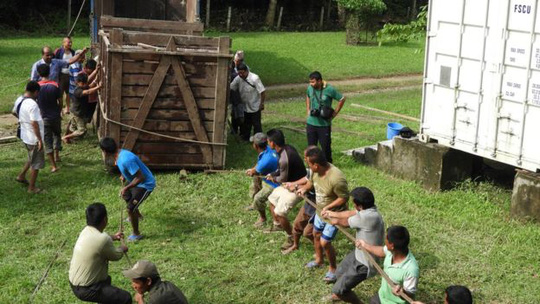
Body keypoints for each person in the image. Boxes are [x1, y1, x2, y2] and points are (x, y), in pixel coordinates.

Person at [321, 187, 385, 303]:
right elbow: (351, 213)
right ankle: (339, 292)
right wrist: (332, 213)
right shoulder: (369, 210)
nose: (353, 205)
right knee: (338, 273)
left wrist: (332, 219)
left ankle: (348, 298)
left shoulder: (367, 217)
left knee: (339, 289)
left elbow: (344, 222)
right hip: (357, 253)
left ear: (360, 206)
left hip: (365, 263)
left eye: (354, 203)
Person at [296, 147, 349, 282]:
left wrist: (329, 208)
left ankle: (333, 268)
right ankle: (319, 260)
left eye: (308, 163)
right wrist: (303, 189)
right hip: (320, 211)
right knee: (315, 234)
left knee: (325, 242)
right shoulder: (315, 172)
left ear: (316, 165)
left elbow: (343, 198)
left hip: (334, 214)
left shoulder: (336, 178)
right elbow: (310, 183)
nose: (307, 165)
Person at [69, 203, 131, 303]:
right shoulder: (103, 239)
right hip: (88, 289)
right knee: (126, 298)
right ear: (105, 220)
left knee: (107, 281)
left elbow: (99, 241)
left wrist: (114, 237)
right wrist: (122, 248)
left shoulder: (86, 231)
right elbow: (116, 255)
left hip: (75, 284)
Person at [99, 137, 156, 241]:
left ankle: (136, 233)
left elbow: (140, 177)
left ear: (105, 151)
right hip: (136, 181)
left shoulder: (126, 159)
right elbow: (127, 168)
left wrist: (127, 187)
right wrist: (124, 175)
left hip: (145, 184)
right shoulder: (119, 154)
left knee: (130, 208)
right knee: (126, 195)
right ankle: (137, 216)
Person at [265, 129, 307, 251]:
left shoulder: (284, 158)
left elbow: (282, 178)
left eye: (268, 141)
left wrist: (273, 178)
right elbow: (280, 172)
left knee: (280, 212)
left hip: (297, 188)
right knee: (271, 200)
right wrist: (273, 174)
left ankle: (291, 237)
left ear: (273, 143)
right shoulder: (286, 148)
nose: (268, 143)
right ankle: (277, 225)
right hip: (287, 185)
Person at [357, 226, 420, 304]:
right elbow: (382, 251)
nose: (384, 240)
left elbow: (410, 296)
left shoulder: (411, 269)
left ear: (392, 245)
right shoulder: (392, 251)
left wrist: (402, 292)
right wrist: (365, 245)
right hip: (381, 297)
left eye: (386, 239)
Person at [280, 146, 318, 255]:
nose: (304, 159)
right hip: (309, 200)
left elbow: (310, 185)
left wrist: (297, 188)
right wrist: (293, 184)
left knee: (310, 232)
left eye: (306, 157)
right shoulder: (311, 168)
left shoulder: (319, 171)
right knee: (297, 225)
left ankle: (321, 249)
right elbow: (306, 178)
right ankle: (295, 245)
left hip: (317, 203)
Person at [305, 71, 346, 164]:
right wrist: (308, 109)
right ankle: (311, 166)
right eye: (310, 82)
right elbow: (307, 95)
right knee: (311, 148)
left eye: (313, 82)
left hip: (324, 125)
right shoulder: (310, 88)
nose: (311, 84)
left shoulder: (329, 89)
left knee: (326, 148)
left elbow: (342, 99)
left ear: (319, 81)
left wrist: (334, 113)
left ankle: (328, 166)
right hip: (311, 123)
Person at [12, 81, 44, 194]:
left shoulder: (20, 100)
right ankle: (32, 188)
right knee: (36, 163)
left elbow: (13, 112)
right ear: (35, 92)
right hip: (33, 138)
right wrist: (39, 139)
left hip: (25, 134)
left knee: (31, 157)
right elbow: (34, 123)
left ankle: (21, 176)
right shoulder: (33, 104)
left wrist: (22, 120)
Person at [245, 132, 279, 228]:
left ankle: (262, 218)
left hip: (274, 183)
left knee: (258, 198)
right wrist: (253, 169)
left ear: (256, 146)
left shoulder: (266, 160)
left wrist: (251, 172)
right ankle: (254, 205)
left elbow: (257, 170)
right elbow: (258, 166)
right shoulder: (267, 149)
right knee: (255, 184)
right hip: (268, 175)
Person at [123, 260, 189, 304]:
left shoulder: (156, 298)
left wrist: (140, 300)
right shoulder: (166, 284)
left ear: (148, 281)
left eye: (136, 282)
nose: (133, 286)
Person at [36, 64, 63, 172]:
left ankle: (53, 166)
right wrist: (59, 110)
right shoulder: (55, 85)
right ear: (49, 72)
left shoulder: (37, 87)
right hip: (55, 116)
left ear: (39, 73)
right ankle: (57, 155)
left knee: (48, 141)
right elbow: (60, 101)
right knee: (57, 134)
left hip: (44, 118)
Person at [230, 63, 266, 141]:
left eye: (242, 73)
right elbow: (231, 87)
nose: (241, 75)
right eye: (239, 73)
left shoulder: (255, 78)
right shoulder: (238, 79)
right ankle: (245, 138)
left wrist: (261, 103)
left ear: (247, 71)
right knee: (246, 124)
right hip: (245, 106)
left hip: (255, 106)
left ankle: (259, 140)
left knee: (256, 124)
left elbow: (262, 92)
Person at [62, 73, 102, 143]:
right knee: (82, 130)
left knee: (73, 127)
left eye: (85, 83)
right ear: (78, 82)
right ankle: (65, 137)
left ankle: (68, 138)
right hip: (77, 113)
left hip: (77, 112)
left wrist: (96, 78)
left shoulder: (83, 86)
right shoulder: (77, 91)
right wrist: (98, 87)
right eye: (82, 83)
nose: (84, 85)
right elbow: (88, 91)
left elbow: (90, 85)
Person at [54, 36, 75, 114]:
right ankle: (60, 109)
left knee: (68, 92)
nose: (70, 44)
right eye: (68, 42)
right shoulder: (59, 52)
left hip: (70, 74)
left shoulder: (73, 52)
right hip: (61, 75)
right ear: (63, 43)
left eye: (71, 42)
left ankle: (67, 108)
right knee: (60, 93)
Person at [229, 50, 247, 135]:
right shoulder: (234, 73)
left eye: (238, 61)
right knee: (235, 115)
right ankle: (234, 130)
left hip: (240, 98)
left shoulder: (237, 74)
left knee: (240, 116)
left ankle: (242, 132)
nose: (236, 62)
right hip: (235, 98)